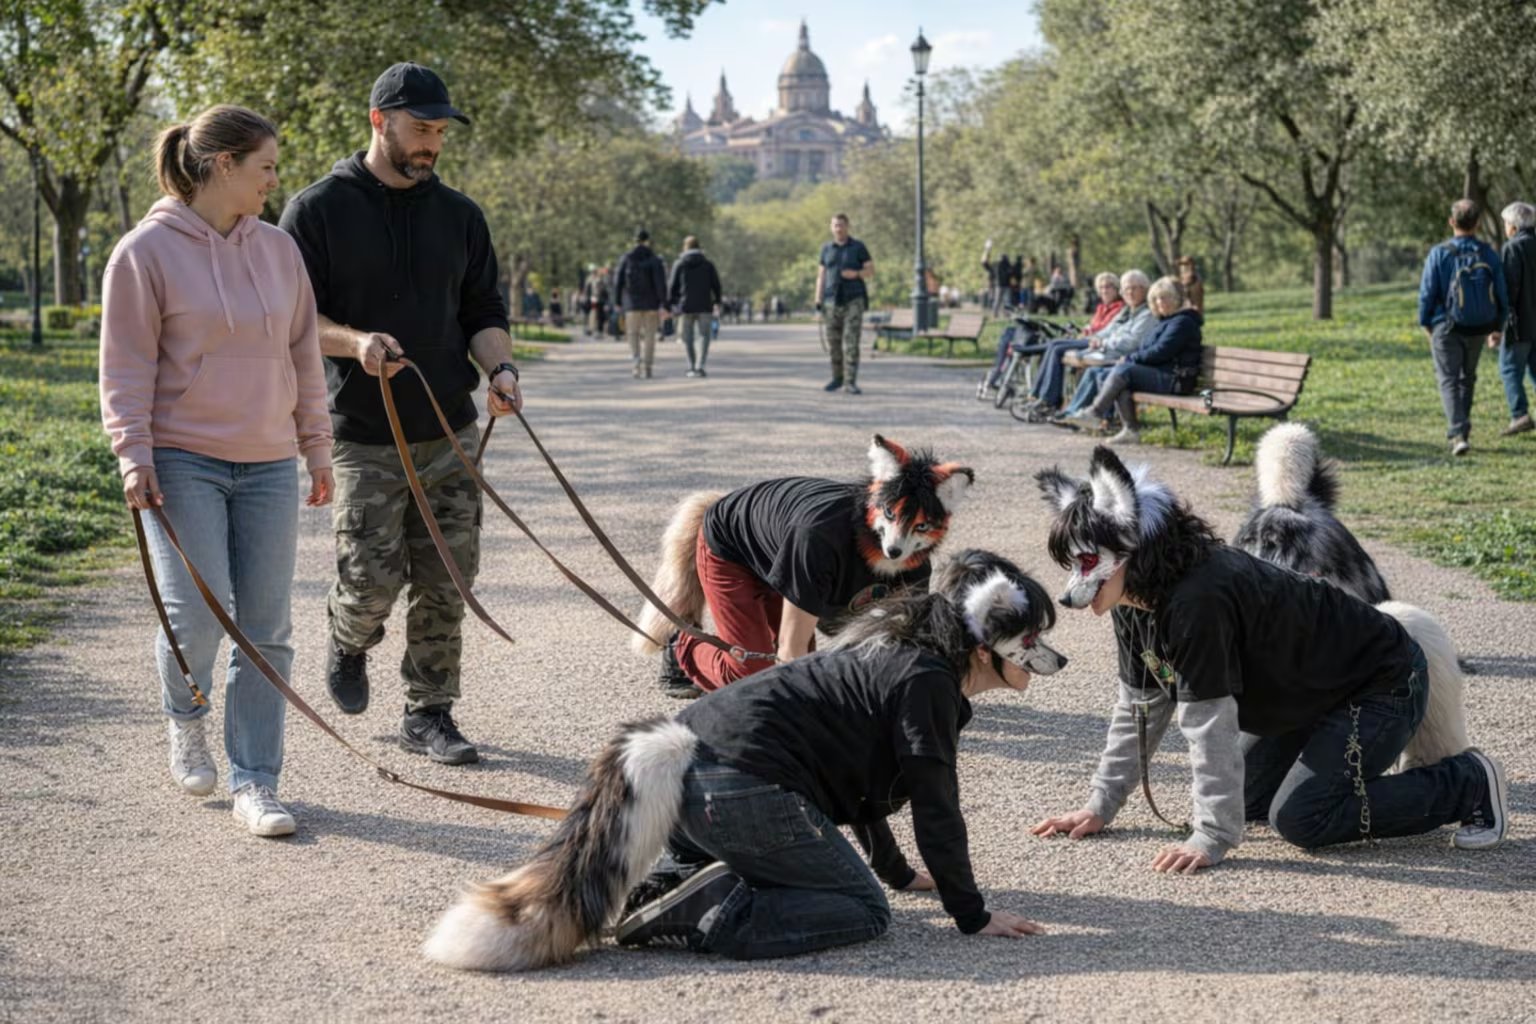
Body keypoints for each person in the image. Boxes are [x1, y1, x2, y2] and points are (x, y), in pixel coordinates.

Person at [423, 551, 1062, 971]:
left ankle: (657, 886)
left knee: (860, 889)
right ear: (985, 649)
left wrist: (898, 873)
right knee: (861, 911)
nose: (1043, 656)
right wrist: (970, 915)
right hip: (732, 781)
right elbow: (933, 800)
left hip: (689, 766)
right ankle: (698, 909)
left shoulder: (899, 658)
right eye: (1032, 640)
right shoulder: (926, 681)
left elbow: (858, 785)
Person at [1032, 448, 1508, 872]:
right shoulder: (1132, 599)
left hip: (1379, 683)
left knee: (1300, 817)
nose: (1074, 585)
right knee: (1246, 800)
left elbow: (1208, 722)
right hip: (1310, 695)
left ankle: (1466, 782)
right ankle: (1339, 767)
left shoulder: (1199, 601)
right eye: (1073, 564)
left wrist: (1213, 835)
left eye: (1088, 563)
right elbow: (1139, 707)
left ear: (1131, 543)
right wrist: (1101, 805)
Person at [278, 61, 523, 766]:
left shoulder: (461, 215)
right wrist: (355, 343)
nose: (432, 145)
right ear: (379, 121)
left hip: (449, 430)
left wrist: (500, 370)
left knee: (448, 579)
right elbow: (297, 320)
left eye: (441, 132)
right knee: (370, 581)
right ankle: (348, 638)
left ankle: (430, 711)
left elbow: (483, 310)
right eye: (421, 129)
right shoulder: (316, 209)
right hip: (362, 435)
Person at [100, 105, 333, 837]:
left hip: (266, 461)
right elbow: (126, 367)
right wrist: (132, 454)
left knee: (266, 628)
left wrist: (315, 444)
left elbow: (303, 353)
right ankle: (185, 715)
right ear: (223, 165)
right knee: (196, 616)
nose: (274, 179)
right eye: (264, 165)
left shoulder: (279, 250)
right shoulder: (144, 253)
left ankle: (256, 781)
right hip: (181, 458)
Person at [1418, 199, 1509, 455]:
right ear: (1478, 224)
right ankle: (1463, 430)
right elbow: (1501, 292)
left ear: (1451, 222)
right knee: (1467, 378)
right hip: (1478, 328)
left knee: (1448, 379)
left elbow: (1427, 293)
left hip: (1445, 326)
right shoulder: (1488, 253)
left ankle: (1458, 434)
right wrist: (1498, 325)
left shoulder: (1439, 253)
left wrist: (1426, 324)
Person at [1064, 276, 1201, 445]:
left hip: (1177, 379)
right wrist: (1130, 359)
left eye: (1163, 298)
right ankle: (1130, 430)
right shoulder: (1166, 321)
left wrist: (1130, 358)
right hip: (1163, 374)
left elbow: (1160, 352)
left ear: (1175, 299)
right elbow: (1147, 349)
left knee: (1123, 371)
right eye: (1155, 299)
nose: (1159, 302)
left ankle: (1095, 413)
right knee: (1107, 373)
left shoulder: (1183, 322)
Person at [1054, 270, 1157, 423]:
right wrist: (1098, 339)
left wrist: (1104, 343)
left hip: (1128, 360)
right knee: (1092, 371)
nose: (1130, 292)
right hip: (1114, 355)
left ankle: (1096, 417)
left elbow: (1131, 343)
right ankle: (1072, 413)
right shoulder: (1131, 312)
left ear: (1145, 289)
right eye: (1126, 289)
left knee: (1099, 371)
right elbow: (1110, 333)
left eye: (1135, 288)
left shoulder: (1147, 314)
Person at [1018, 272, 1125, 417]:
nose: (1104, 290)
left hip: (1095, 343)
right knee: (1054, 344)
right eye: (1101, 287)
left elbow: (1103, 329)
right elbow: (1094, 325)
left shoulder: (1119, 307)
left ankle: (1049, 399)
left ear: (1116, 289)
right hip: (1089, 338)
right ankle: (1038, 395)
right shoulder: (1102, 307)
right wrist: (1087, 329)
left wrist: (1089, 330)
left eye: (1108, 287)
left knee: (1057, 349)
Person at [815, 213, 874, 394]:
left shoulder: (858, 247)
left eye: (841, 225)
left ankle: (850, 382)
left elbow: (871, 270)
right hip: (831, 300)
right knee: (834, 343)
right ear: (831, 228)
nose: (838, 228)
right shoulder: (826, 249)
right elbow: (821, 275)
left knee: (851, 342)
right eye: (835, 225)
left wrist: (856, 274)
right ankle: (837, 378)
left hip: (853, 300)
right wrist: (818, 300)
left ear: (847, 226)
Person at [1496, 201, 1536, 436]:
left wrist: (1499, 324)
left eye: (1506, 223)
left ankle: (1519, 415)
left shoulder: (1513, 248)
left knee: (1509, 368)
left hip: (1520, 323)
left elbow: (1509, 290)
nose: (1505, 227)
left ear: (1514, 226)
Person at [613, 229, 669, 378]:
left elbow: (618, 281)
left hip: (631, 304)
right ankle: (648, 366)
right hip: (651, 304)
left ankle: (636, 362)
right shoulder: (655, 260)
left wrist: (617, 301)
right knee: (650, 335)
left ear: (635, 240)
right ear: (647, 241)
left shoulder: (626, 258)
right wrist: (664, 303)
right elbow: (660, 284)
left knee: (632, 334)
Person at [668, 235, 723, 378]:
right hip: (705, 305)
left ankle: (691, 366)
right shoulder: (708, 264)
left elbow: (672, 286)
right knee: (704, 336)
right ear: (699, 247)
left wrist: (672, 303)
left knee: (688, 338)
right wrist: (717, 301)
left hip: (686, 306)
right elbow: (716, 285)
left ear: (685, 247)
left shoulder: (679, 264)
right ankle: (700, 366)